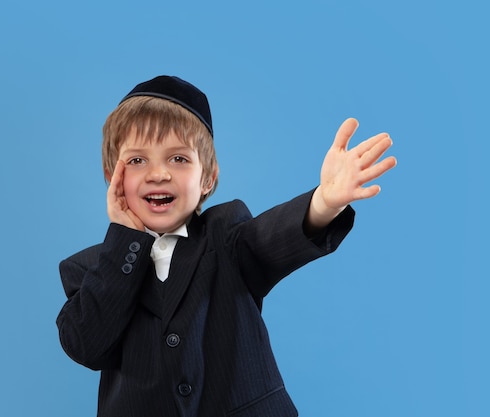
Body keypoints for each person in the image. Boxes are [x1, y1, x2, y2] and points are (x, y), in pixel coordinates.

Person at [56, 75, 396, 417]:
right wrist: (125, 242)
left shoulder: (227, 234)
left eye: (178, 159)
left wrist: (324, 201)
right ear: (111, 176)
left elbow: (273, 237)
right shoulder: (88, 270)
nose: (158, 174)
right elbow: (87, 346)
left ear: (208, 179)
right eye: (137, 160)